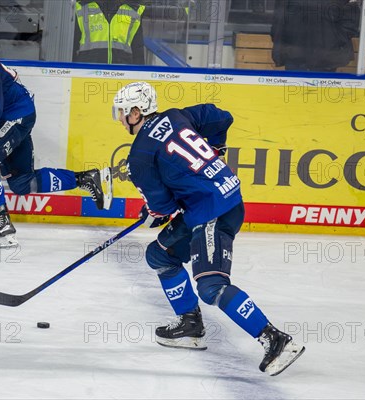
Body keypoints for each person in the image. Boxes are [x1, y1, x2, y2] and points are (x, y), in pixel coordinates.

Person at [112, 81, 305, 376]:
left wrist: (153, 211)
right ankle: (190, 325)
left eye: (123, 112)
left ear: (137, 113)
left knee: (211, 286)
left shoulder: (139, 156)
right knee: (159, 255)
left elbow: (163, 208)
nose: (121, 118)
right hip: (220, 200)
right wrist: (216, 149)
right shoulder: (177, 116)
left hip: (213, 212)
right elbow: (220, 116)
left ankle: (276, 341)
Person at [0, 21, 112, 249]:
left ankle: (2, 222)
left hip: (14, 116)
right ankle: (87, 178)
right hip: (10, 114)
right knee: (22, 184)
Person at [270, 0, 360, 72]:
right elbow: (279, 23)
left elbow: (350, 22)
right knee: (297, 93)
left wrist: (335, 42)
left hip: (326, 58)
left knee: (322, 93)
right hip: (295, 57)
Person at [73, 0, 146, 65]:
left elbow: (138, 51)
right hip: (87, 74)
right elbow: (71, 48)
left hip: (122, 74)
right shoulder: (81, 8)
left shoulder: (133, 10)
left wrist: (139, 75)